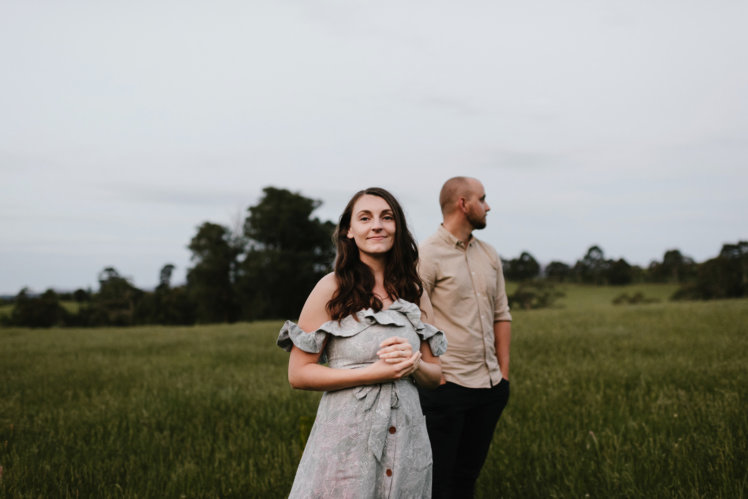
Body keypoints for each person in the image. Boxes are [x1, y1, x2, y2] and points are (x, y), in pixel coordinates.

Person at [277, 187, 447, 498]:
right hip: (345, 438)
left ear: (398, 227)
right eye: (365, 218)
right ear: (349, 231)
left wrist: (415, 364)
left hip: (407, 438)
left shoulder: (413, 290)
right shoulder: (331, 287)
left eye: (387, 217)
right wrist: (374, 373)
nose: (377, 225)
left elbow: (437, 377)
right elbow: (299, 374)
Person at [417, 176, 512, 499]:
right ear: (463, 204)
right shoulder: (426, 255)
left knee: (467, 479)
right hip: (448, 388)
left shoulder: (489, 254)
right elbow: (412, 321)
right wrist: (437, 378)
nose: (488, 206)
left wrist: (504, 376)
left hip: (490, 387)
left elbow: (502, 314)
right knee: (439, 483)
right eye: (482, 199)